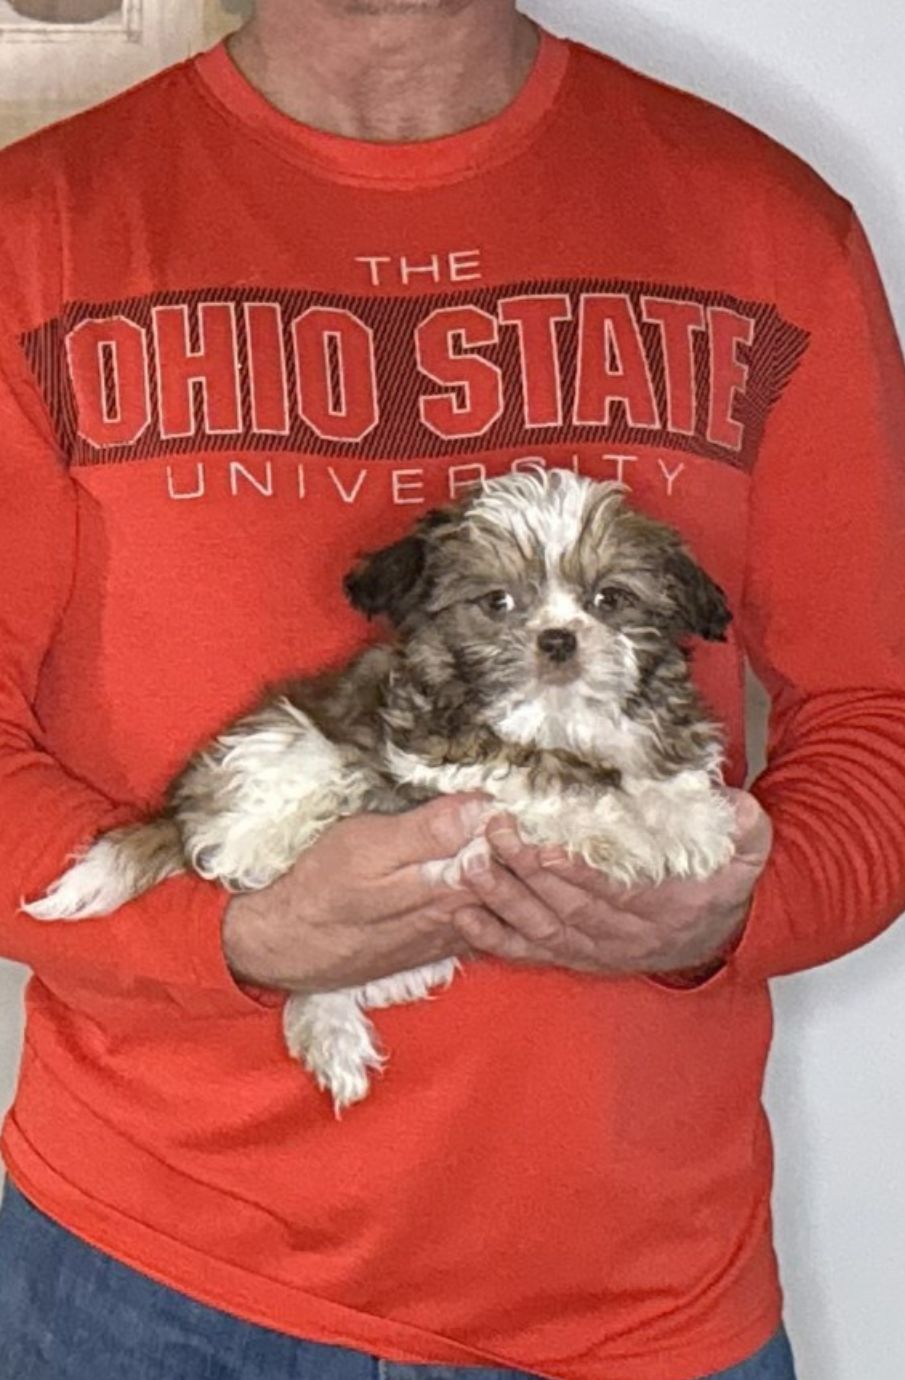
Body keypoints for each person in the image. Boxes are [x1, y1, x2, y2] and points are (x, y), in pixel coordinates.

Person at [0, 0, 902, 1376]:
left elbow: (881, 717)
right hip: (146, 1282)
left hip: (643, 1307)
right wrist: (232, 942)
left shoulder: (762, 222)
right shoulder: (32, 235)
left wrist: (725, 912)